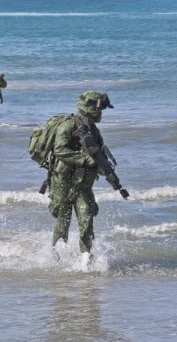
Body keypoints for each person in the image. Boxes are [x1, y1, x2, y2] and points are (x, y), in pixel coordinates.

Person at [48, 91, 126, 266]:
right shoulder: (68, 125)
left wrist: (111, 177)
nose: (101, 115)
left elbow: (99, 158)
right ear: (91, 109)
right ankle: (55, 258)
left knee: (87, 218)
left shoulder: (94, 131)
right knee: (63, 221)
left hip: (84, 184)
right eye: (99, 111)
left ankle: (86, 257)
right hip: (64, 182)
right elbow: (60, 150)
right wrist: (84, 159)